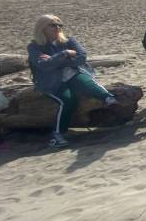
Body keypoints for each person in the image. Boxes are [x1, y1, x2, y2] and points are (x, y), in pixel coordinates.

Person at [27, 15, 118, 147]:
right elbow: (43, 65)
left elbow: (82, 58)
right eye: (53, 25)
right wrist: (65, 54)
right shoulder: (34, 47)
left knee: (84, 81)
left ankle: (109, 98)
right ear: (42, 28)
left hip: (72, 74)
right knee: (68, 100)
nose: (57, 28)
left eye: (60, 25)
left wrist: (55, 60)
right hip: (50, 82)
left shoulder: (69, 41)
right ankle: (58, 134)